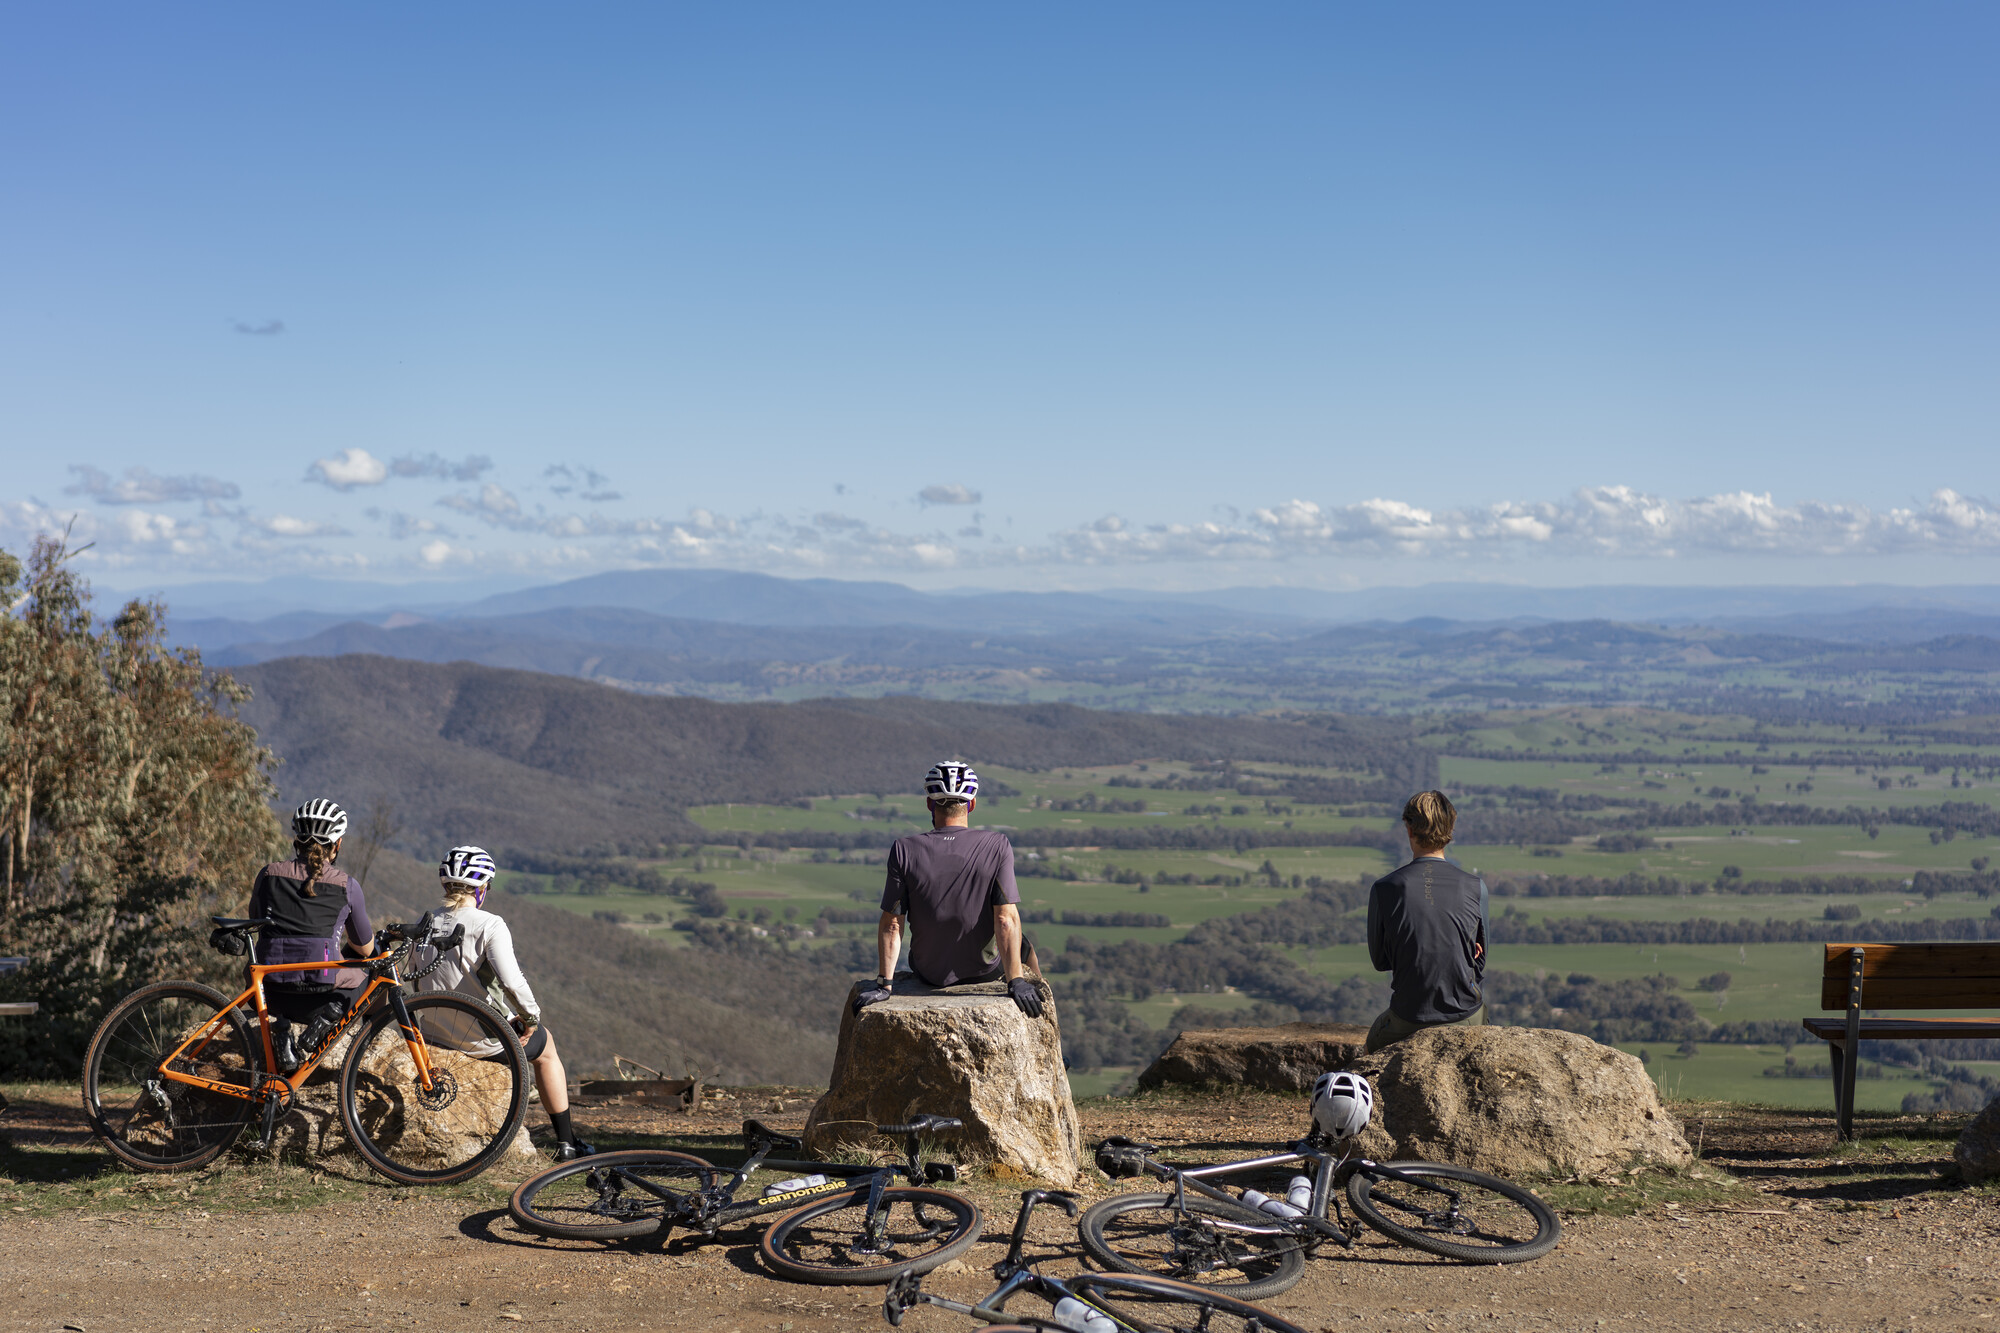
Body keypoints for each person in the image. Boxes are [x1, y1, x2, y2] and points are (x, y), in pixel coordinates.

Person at [420, 845, 594, 1162]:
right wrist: (531, 1019)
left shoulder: (426, 921)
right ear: (483, 888)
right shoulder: (490, 924)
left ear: (445, 885)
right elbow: (513, 983)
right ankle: (567, 1143)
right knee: (546, 1047)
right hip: (481, 1042)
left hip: (434, 1036)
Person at [857, 762, 1044, 1017]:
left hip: (928, 973)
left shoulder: (903, 849)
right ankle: (1043, 1024)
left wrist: (884, 985)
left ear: (929, 804)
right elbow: (1005, 919)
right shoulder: (997, 845)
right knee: (1024, 946)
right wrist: (1016, 982)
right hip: (983, 972)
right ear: (972, 804)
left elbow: (892, 924)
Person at [249, 798, 374, 1072]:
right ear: (337, 844)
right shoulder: (346, 885)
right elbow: (364, 949)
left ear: (297, 839)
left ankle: (282, 1033)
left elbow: (255, 922)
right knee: (372, 975)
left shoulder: (268, 874)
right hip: (318, 999)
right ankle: (317, 1032)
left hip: (268, 995)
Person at [1365, 790, 1486, 1054]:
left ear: (1408, 829)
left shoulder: (1385, 888)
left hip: (1408, 1016)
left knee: (1370, 1052)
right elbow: (1478, 963)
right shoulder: (1476, 887)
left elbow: (1380, 961)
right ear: (1451, 829)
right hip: (1466, 1016)